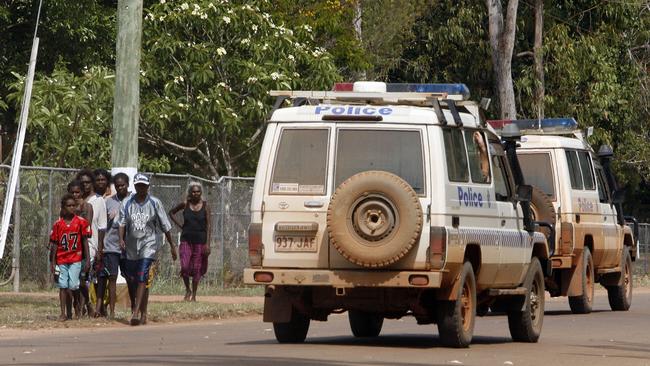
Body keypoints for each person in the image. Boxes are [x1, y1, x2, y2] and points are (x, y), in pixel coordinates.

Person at [118, 173, 177, 326]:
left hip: (148, 245)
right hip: (131, 247)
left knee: (142, 276)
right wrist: (121, 239)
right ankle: (141, 310)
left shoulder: (155, 203)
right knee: (132, 279)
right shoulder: (127, 202)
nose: (141, 188)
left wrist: (172, 246)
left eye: (144, 185)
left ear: (148, 186)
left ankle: (136, 312)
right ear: (135, 186)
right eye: (138, 185)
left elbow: (165, 225)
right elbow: (122, 223)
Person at [94, 173, 131, 319]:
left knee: (131, 278)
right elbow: (102, 225)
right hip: (111, 246)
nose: (120, 187)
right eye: (118, 185)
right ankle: (110, 310)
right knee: (110, 278)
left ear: (128, 185)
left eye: (123, 185)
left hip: (129, 248)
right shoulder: (108, 202)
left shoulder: (132, 201)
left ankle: (135, 306)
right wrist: (101, 245)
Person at [49, 194, 91, 321]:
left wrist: (88, 259)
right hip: (62, 259)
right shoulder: (58, 224)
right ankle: (64, 313)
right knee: (63, 286)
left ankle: (77, 306)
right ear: (63, 207)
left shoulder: (81, 222)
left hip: (75, 259)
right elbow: (55, 243)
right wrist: (53, 261)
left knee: (73, 285)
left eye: (74, 205)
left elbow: (85, 242)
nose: (72, 208)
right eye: (69, 206)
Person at [169, 182, 212, 301]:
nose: (196, 194)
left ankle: (194, 295)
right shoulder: (185, 204)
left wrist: (208, 244)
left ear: (201, 193)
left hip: (200, 241)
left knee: (197, 269)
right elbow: (171, 213)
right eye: (193, 191)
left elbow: (209, 225)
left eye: (198, 191)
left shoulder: (205, 206)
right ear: (190, 193)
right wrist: (180, 225)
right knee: (185, 266)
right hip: (186, 240)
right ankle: (187, 289)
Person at [76, 169, 107, 317]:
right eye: (82, 183)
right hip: (74, 246)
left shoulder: (98, 201)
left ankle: (86, 306)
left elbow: (101, 226)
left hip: (91, 244)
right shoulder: (73, 202)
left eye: (88, 182)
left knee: (85, 277)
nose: (85, 185)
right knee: (77, 278)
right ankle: (83, 306)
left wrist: (100, 248)